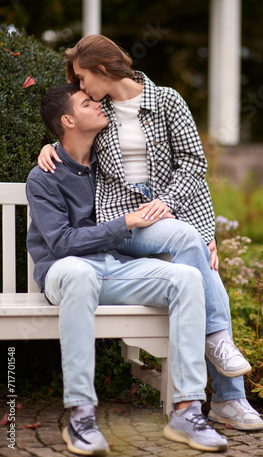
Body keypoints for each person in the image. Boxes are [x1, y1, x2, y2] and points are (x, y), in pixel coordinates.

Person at [38, 35, 263, 431]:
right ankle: (225, 375)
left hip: (171, 218)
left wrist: (197, 225)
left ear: (104, 70)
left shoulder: (168, 101)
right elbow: (73, 136)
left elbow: (194, 165)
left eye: (83, 78)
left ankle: (227, 398)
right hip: (125, 225)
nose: (81, 89)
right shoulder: (97, 111)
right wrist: (48, 144)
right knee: (183, 238)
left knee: (192, 252)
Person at [27, 83, 230, 455]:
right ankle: (81, 415)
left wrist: (204, 234)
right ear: (68, 120)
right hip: (65, 272)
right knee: (79, 272)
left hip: (115, 269)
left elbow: (183, 178)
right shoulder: (44, 175)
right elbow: (61, 244)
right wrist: (125, 223)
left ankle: (187, 409)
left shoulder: (108, 163)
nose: (100, 105)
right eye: (89, 103)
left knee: (186, 278)